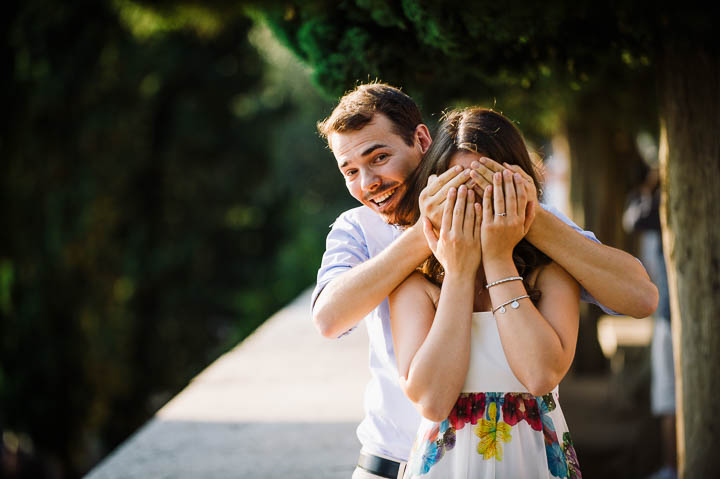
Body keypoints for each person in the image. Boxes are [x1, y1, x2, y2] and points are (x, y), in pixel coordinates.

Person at [311, 83, 657, 478]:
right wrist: (429, 232)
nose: (368, 181)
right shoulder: (357, 229)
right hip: (391, 464)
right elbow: (329, 319)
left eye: (380, 157)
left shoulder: (528, 223)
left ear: (421, 139)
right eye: (350, 171)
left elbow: (640, 298)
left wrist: (527, 219)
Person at [390, 108, 581, 478]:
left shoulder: (552, 275)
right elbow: (432, 400)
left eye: (490, 189)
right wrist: (459, 272)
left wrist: (497, 257)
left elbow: (541, 375)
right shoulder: (414, 285)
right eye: (458, 192)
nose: (475, 206)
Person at [623, 168, 676, 479]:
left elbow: (635, 218)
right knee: (668, 397)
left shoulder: (663, 204)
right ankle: (671, 466)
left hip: (670, 315)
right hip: (668, 314)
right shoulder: (658, 207)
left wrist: (650, 188)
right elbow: (634, 218)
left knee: (669, 397)